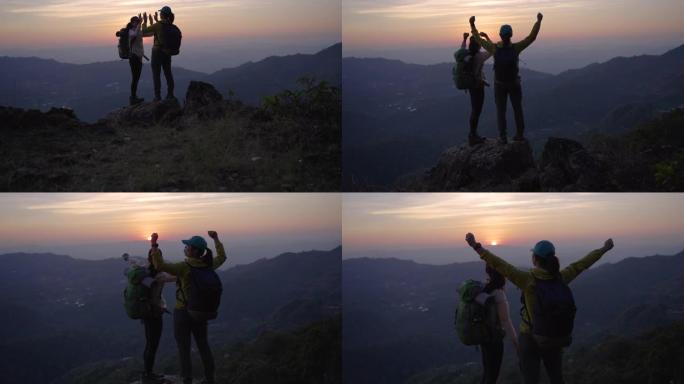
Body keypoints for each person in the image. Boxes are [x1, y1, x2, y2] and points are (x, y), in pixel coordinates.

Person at [465, 233, 615, 384]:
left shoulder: (527, 280)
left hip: (529, 337)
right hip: (553, 336)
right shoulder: (561, 278)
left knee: (531, 379)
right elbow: (582, 264)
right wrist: (604, 249)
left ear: (535, 259)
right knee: (556, 378)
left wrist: (476, 246)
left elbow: (500, 265)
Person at [150, 231, 227, 384]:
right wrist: (216, 239)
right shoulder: (208, 264)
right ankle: (210, 378)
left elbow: (159, 265)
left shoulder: (184, 267)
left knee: (184, 347)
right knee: (203, 345)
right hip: (200, 312)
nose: (185, 248)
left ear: (194, 251)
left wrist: (154, 245)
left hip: (183, 312)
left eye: (188, 247)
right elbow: (222, 257)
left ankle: (187, 379)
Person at [469, 13, 543, 144]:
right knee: (517, 109)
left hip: (499, 84)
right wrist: (538, 21)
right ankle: (519, 134)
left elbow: (479, 40)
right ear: (511, 35)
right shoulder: (516, 48)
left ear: (500, 35)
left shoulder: (495, 48)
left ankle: (502, 137)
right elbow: (532, 37)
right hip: (514, 83)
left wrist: (472, 25)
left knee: (501, 111)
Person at [122, 236, 177, 384]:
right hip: (154, 313)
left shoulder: (143, 269)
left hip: (146, 312)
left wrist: (128, 257)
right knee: (153, 344)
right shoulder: (159, 276)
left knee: (149, 343)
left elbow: (131, 261)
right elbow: (177, 276)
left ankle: (148, 372)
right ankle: (148, 374)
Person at [473, 263, 517, 384]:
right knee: (493, 375)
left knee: (487, 373)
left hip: (484, 338)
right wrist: (516, 343)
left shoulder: (484, 290)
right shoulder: (498, 293)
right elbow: (505, 321)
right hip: (495, 339)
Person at [460, 31, 493, 146]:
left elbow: (462, 49)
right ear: (479, 44)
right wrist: (487, 37)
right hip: (478, 86)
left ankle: (473, 134)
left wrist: (464, 39)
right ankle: (473, 136)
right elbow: (492, 50)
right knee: (476, 111)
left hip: (470, 86)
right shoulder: (480, 56)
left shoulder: (466, 55)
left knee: (474, 110)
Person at [142, 6, 178, 101]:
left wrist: (144, 21)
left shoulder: (158, 25)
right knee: (168, 73)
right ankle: (170, 94)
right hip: (167, 52)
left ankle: (157, 96)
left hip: (157, 51)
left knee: (156, 74)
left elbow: (143, 31)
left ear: (162, 14)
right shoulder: (170, 24)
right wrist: (155, 20)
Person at [127, 15, 145, 105]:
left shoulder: (138, 30)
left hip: (139, 58)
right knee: (135, 78)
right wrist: (140, 24)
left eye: (137, 21)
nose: (137, 23)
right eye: (135, 21)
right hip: (133, 57)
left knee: (136, 78)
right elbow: (134, 34)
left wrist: (144, 22)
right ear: (131, 23)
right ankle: (133, 97)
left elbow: (146, 33)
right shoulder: (130, 31)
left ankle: (134, 97)